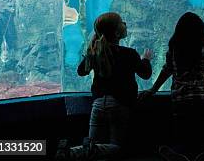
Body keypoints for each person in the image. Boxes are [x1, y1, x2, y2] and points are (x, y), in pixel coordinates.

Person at [139, 12, 204, 161]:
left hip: (179, 99)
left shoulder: (174, 47)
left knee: (181, 133)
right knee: (202, 131)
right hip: (202, 99)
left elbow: (166, 70)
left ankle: (180, 154)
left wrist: (153, 90)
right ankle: (203, 153)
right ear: (201, 31)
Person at [56, 12, 153, 160]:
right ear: (116, 32)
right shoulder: (129, 54)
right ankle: (75, 152)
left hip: (98, 104)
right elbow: (145, 74)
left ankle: (71, 151)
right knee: (117, 148)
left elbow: (81, 71)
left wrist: (90, 52)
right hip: (119, 106)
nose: (125, 23)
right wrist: (145, 59)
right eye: (122, 22)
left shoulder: (96, 52)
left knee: (93, 148)